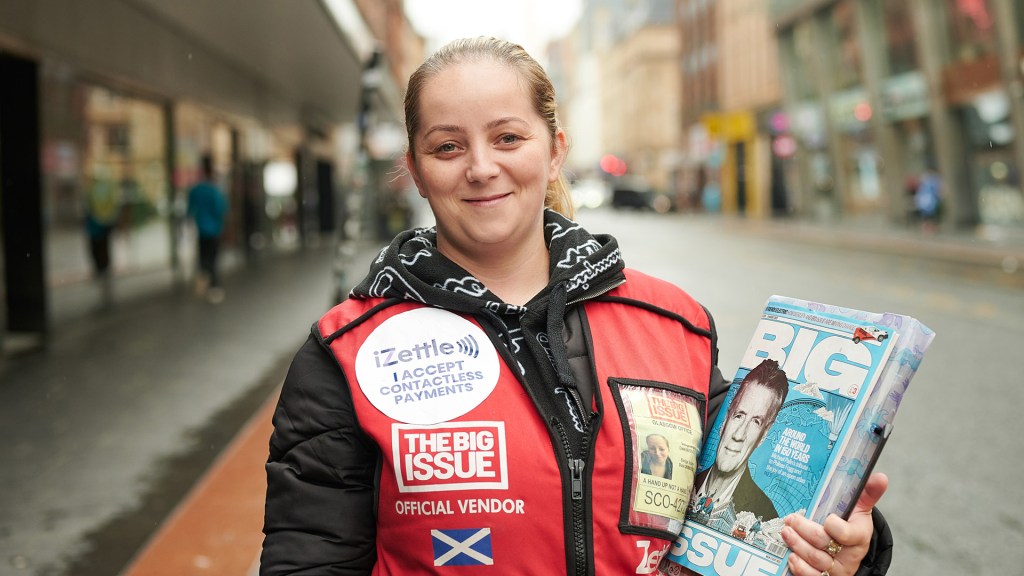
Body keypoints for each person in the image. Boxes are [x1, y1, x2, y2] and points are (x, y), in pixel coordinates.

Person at [260, 37, 891, 576]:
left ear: (554, 150)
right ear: (416, 172)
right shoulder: (347, 352)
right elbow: (308, 558)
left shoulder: (676, 325)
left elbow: (740, 522)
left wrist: (843, 550)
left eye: (508, 137)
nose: (482, 167)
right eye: (447, 147)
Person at [693, 358, 788, 522]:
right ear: (726, 418)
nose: (739, 435)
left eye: (756, 422)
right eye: (739, 415)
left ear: (763, 435)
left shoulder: (766, 517)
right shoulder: (686, 478)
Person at [187, 155, 228, 303]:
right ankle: (214, 287)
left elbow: (190, 209)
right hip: (214, 229)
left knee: (203, 258)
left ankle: (203, 285)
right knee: (213, 259)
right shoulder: (214, 190)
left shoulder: (196, 189)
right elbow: (221, 208)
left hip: (201, 229)